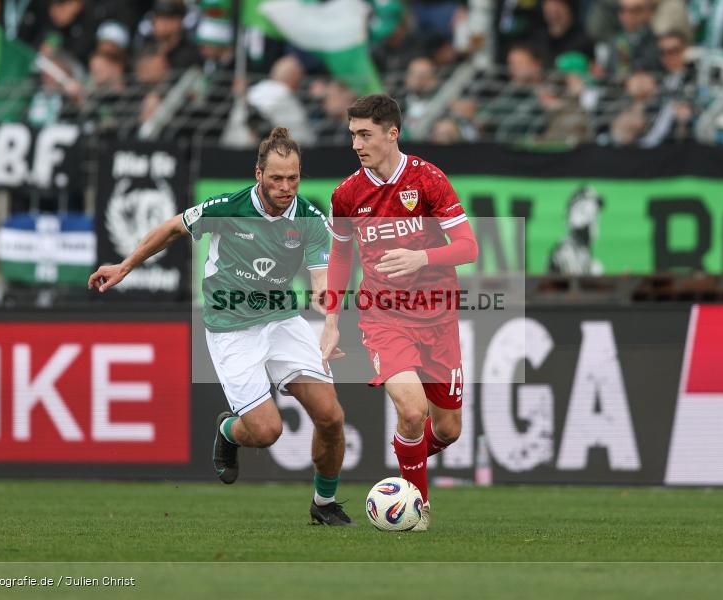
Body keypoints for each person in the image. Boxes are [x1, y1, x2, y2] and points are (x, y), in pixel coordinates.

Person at [88, 128, 353, 527]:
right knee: (266, 432)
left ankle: (325, 503)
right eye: (276, 178)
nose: (285, 187)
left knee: (331, 417)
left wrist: (328, 315)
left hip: (281, 319)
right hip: (231, 327)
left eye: (293, 178)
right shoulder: (230, 206)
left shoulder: (310, 218)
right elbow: (173, 227)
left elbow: (321, 278)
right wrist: (125, 266)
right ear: (258, 173)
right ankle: (229, 430)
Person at [320, 95, 479, 531]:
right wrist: (332, 320)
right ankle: (417, 509)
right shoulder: (348, 194)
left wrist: (422, 259)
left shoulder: (428, 180)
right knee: (412, 410)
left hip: (438, 318)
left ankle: (406, 457)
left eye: (365, 134)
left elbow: (468, 246)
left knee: (447, 430)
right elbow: (340, 257)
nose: (356, 143)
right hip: (382, 316)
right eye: (352, 134)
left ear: (393, 133)